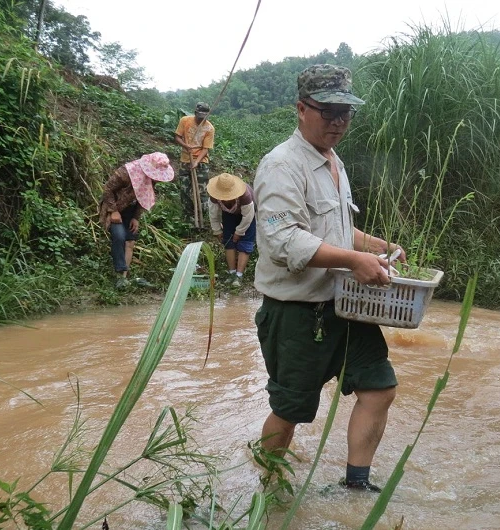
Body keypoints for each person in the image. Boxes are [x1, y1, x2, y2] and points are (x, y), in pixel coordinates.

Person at [252, 64, 406, 492]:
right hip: (298, 314)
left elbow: (335, 229)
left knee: (379, 387)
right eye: (329, 112)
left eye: (347, 113)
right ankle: (267, 489)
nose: (339, 122)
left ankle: (355, 484)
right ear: (301, 108)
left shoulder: (333, 162)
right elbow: (283, 241)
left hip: (346, 305)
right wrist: (354, 260)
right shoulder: (281, 166)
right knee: (291, 410)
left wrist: (374, 245)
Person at [98, 152, 175, 289]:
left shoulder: (151, 179)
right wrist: (114, 211)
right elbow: (107, 189)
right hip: (114, 207)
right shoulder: (125, 173)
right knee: (119, 236)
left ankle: (124, 278)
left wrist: (136, 217)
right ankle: (119, 273)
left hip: (130, 209)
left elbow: (143, 196)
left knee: (130, 241)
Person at [207, 173, 256, 287]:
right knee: (228, 242)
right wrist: (218, 231)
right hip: (228, 214)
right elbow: (213, 215)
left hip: (249, 215)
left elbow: (247, 217)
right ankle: (231, 273)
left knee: (245, 242)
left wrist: (239, 232)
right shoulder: (214, 197)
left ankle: (239, 276)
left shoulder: (245, 196)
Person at [174, 102, 215, 225]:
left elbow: (205, 149)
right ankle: (188, 216)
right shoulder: (185, 121)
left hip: (201, 162)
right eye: (199, 115)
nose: (200, 119)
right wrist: (186, 146)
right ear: (195, 112)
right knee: (185, 190)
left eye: (204, 116)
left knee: (202, 191)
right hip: (185, 160)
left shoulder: (210, 128)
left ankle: (202, 218)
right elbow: (177, 137)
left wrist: (197, 162)